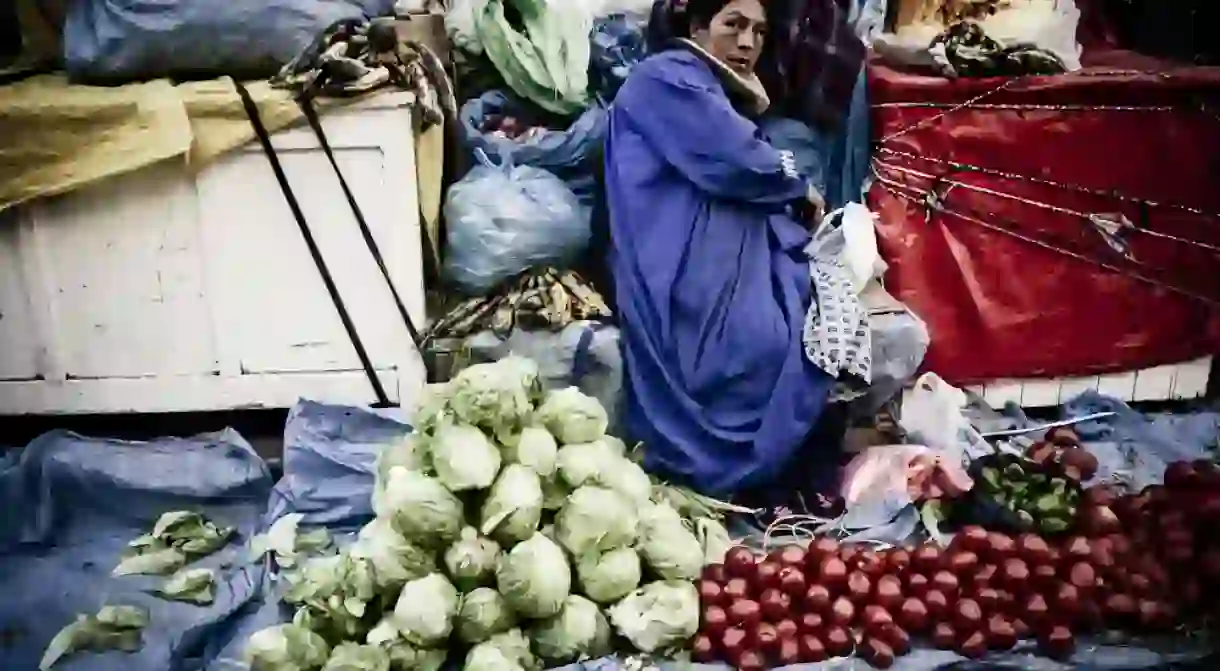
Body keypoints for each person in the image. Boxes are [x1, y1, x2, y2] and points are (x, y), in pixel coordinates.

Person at [604, 0, 850, 509]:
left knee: (787, 316)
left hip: (713, 239)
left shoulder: (708, 87)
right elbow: (734, 159)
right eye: (732, 26)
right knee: (751, 343)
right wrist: (798, 188)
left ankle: (773, 470)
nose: (747, 43)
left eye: (758, 31)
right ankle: (739, 465)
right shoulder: (665, 76)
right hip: (669, 251)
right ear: (697, 27)